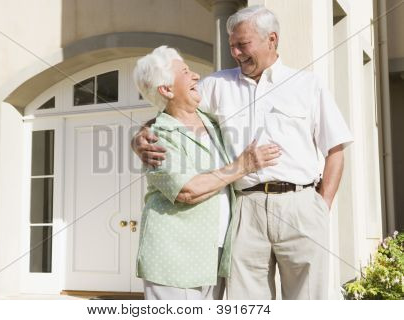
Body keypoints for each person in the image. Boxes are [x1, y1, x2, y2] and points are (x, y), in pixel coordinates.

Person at [132, 6, 353, 300]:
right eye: (232, 45)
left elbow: (335, 148)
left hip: (300, 204)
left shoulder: (307, 85)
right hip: (245, 208)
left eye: (242, 44)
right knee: (246, 304)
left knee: (308, 301)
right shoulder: (216, 85)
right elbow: (173, 111)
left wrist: (320, 207)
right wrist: (138, 137)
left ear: (271, 40)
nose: (235, 52)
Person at [132, 46, 281, 300]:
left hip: (216, 253)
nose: (196, 76)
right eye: (185, 71)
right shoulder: (157, 137)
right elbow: (187, 190)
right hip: (174, 257)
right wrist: (242, 166)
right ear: (166, 89)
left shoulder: (211, 122)